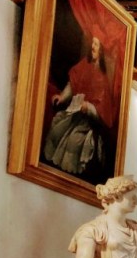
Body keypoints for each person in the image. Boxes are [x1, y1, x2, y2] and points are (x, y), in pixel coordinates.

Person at [44, 35, 115, 179]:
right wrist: (62, 97)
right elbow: (73, 84)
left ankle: (66, 179)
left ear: (102, 50)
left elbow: (103, 111)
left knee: (74, 141)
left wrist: (88, 107)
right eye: (93, 43)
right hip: (75, 115)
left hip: (89, 124)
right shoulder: (85, 64)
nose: (93, 47)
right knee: (57, 127)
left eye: (96, 44)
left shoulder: (104, 77)